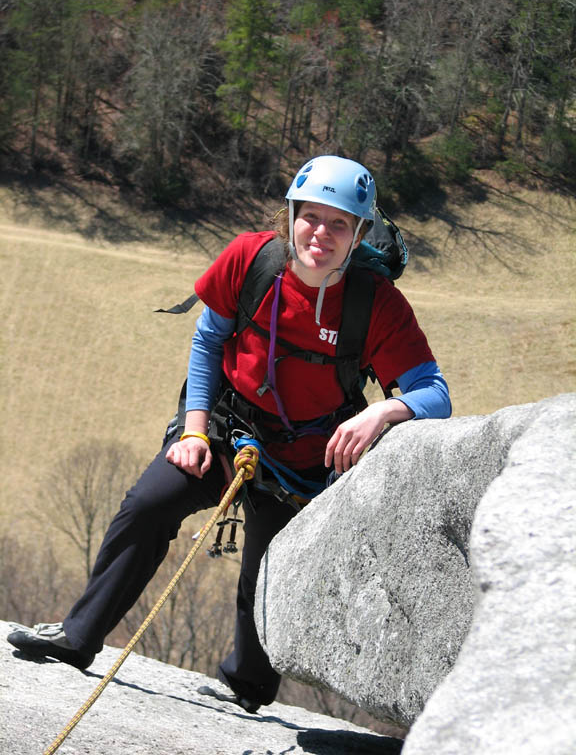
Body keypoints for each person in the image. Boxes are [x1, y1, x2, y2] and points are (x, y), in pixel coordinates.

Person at [7, 155, 451, 713]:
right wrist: (193, 431)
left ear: (360, 233)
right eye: (311, 217)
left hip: (307, 466)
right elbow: (207, 341)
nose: (321, 234)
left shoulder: (375, 304)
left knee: (266, 575)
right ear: (289, 216)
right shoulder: (251, 259)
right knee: (149, 505)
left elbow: (435, 394)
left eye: (340, 223)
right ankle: (77, 636)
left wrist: (381, 413)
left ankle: (246, 691)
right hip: (228, 432)